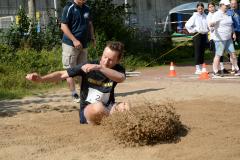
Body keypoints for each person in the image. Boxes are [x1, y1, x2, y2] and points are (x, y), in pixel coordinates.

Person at [26, 41, 131, 125]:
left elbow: (120, 78)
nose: (105, 62)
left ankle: (135, 126)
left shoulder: (118, 69)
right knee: (98, 107)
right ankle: (114, 121)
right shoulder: (88, 66)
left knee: (125, 106)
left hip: (108, 108)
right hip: (88, 111)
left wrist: (99, 68)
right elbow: (61, 74)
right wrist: (42, 79)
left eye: (110, 60)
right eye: (104, 57)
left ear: (118, 61)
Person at [61, 0, 96, 103]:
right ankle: (74, 94)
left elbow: (90, 24)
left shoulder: (87, 8)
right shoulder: (69, 7)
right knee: (70, 70)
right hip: (70, 45)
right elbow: (63, 26)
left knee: (83, 70)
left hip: (83, 44)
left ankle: (84, 93)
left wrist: (92, 38)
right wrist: (74, 40)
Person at [210, 0, 240, 77]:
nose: (227, 6)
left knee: (232, 53)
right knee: (218, 55)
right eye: (226, 5)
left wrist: (233, 33)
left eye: (228, 5)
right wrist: (212, 24)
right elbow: (212, 23)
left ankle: (236, 69)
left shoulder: (229, 13)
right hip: (220, 38)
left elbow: (231, 25)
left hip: (228, 37)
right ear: (221, 5)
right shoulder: (217, 14)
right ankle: (215, 71)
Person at [185, 2, 209, 74]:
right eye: (199, 9)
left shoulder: (206, 16)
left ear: (203, 9)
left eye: (201, 8)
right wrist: (192, 31)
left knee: (202, 51)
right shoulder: (195, 16)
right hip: (198, 35)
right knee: (198, 51)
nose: (200, 10)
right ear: (197, 9)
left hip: (204, 35)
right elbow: (187, 25)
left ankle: (201, 67)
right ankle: (197, 68)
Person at [207, 2, 229, 74]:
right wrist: (214, 25)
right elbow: (210, 27)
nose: (211, 8)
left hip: (221, 36)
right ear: (208, 8)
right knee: (216, 52)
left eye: (212, 6)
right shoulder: (208, 16)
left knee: (221, 52)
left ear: (215, 7)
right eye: (210, 7)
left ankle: (222, 67)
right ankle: (215, 69)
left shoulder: (218, 13)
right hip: (214, 36)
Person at [228, 0, 240, 72]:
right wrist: (233, 33)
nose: (233, 5)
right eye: (232, 4)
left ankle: (238, 63)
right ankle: (233, 65)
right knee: (232, 50)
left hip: (239, 32)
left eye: (235, 4)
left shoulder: (238, 12)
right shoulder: (228, 12)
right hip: (232, 32)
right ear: (230, 4)